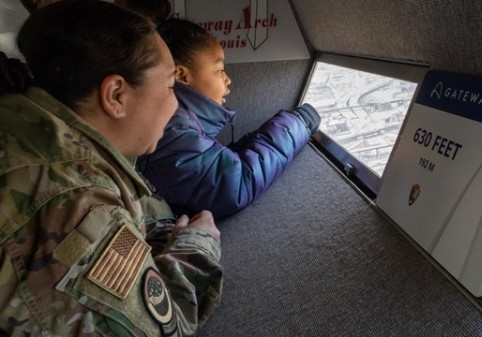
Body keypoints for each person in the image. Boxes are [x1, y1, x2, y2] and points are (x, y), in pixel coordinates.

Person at [0, 1, 222, 336]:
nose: (175, 103)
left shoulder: (26, 118)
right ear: (116, 95)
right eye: (170, 87)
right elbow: (162, 329)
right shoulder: (74, 202)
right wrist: (199, 243)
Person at [137, 18, 321, 219]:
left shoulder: (178, 124)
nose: (227, 78)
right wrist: (296, 124)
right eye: (219, 70)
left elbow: (213, 165)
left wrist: (256, 138)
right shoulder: (173, 132)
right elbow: (236, 186)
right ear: (181, 75)